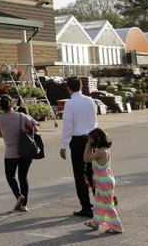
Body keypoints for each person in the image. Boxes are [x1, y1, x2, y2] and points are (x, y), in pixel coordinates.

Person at [0, 94, 40, 212]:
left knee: (10, 176)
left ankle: (18, 195)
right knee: (23, 178)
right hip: (25, 151)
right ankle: (24, 205)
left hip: (10, 153)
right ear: (12, 103)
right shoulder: (21, 116)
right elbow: (36, 129)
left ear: (1, 106)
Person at [60, 76, 98, 218]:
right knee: (92, 172)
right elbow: (95, 121)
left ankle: (86, 207)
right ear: (81, 86)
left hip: (78, 141)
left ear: (68, 88)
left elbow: (68, 126)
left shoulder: (70, 104)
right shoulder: (90, 101)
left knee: (79, 174)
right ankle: (100, 203)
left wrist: (63, 145)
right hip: (91, 138)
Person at [83, 128, 123, 234]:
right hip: (104, 180)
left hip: (104, 181)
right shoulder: (104, 150)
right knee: (99, 203)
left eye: (90, 139)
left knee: (107, 205)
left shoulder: (101, 152)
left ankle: (117, 227)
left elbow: (86, 159)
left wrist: (87, 146)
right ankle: (96, 223)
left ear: (96, 139)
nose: (89, 141)